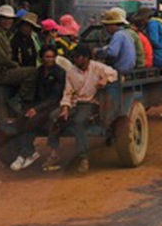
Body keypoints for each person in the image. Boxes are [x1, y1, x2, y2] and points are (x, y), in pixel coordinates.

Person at [43, 44, 118, 173]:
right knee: (54, 117)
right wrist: (65, 107)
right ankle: (54, 153)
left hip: (90, 103)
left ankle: (83, 157)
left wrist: (105, 79)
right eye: (76, 57)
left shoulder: (97, 67)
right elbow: (67, 92)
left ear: (87, 58)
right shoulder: (71, 72)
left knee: (79, 122)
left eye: (80, 57)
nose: (77, 60)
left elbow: (114, 73)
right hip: (74, 103)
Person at [9, 45, 66, 171]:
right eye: (47, 57)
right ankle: (29, 152)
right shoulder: (39, 71)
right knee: (20, 119)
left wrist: (37, 109)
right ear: (42, 58)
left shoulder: (60, 73)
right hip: (39, 104)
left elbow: (54, 97)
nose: (50, 59)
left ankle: (26, 153)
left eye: (52, 57)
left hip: (53, 106)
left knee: (32, 120)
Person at [0, 5, 37, 102]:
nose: (7, 21)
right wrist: (17, 66)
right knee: (32, 72)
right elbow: (2, 59)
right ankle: (19, 100)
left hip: (3, 70)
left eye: (10, 19)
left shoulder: (6, 34)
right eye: (4, 19)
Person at [95, 9, 138, 74]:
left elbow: (112, 53)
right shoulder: (126, 34)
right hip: (128, 69)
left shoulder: (118, 35)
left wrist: (98, 51)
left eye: (107, 26)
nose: (106, 29)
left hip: (120, 70)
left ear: (112, 25)